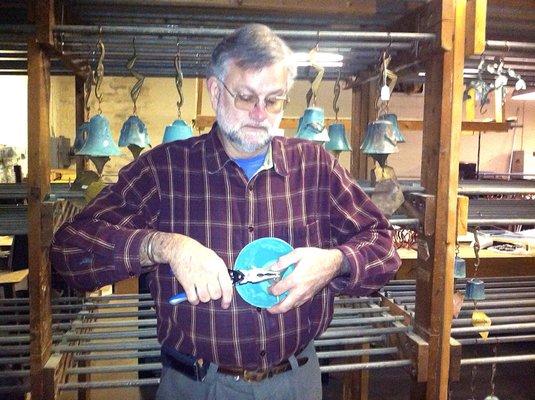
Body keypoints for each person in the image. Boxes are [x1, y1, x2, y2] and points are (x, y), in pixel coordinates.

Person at [51, 23, 401, 400]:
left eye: (273, 100)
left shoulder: (316, 167)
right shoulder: (162, 171)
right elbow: (69, 252)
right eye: (246, 96)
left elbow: (383, 246)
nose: (259, 112)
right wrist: (163, 246)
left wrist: (334, 263)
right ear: (215, 91)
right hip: (197, 385)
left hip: (296, 383)